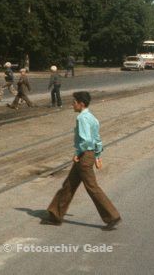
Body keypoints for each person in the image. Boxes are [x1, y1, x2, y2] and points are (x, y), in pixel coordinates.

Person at [44, 91, 121, 230]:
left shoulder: (82, 118)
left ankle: (112, 216)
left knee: (92, 187)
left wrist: (78, 153)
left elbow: (85, 140)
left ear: (81, 104)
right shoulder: (93, 118)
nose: (72, 105)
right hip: (89, 155)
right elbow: (97, 139)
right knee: (69, 185)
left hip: (84, 156)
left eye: (74, 102)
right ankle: (55, 215)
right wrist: (97, 156)